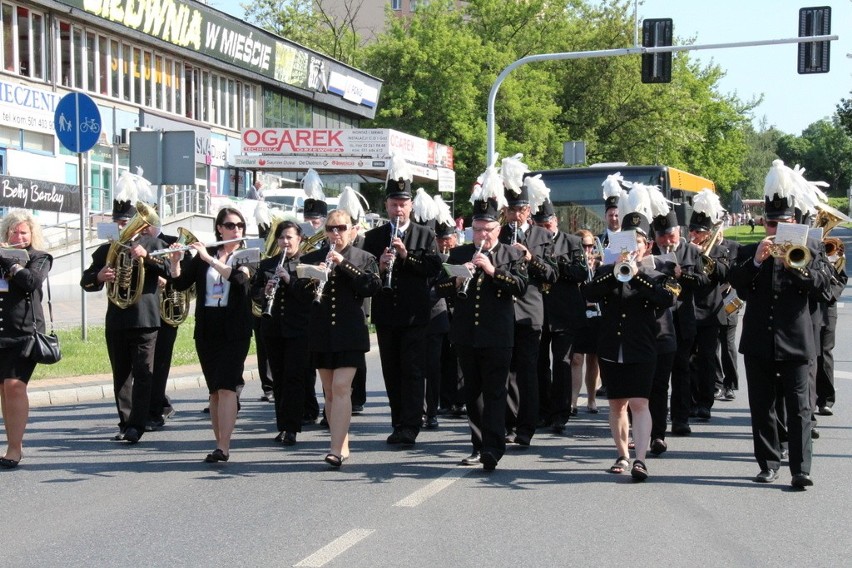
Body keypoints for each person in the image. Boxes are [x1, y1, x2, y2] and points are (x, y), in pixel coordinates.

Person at [729, 160, 829, 488]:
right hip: (759, 341)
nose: (777, 230)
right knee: (762, 406)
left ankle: (801, 469)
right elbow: (739, 285)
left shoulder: (811, 248)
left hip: (797, 341)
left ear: (794, 222)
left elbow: (824, 288)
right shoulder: (749, 250)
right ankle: (769, 463)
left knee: (799, 408)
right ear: (765, 225)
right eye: (772, 225)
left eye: (783, 223)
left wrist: (795, 266)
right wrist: (758, 259)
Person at [582, 200, 677, 481]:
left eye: (637, 241)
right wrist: (615, 273)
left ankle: (640, 459)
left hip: (643, 346)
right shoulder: (606, 272)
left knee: (640, 403)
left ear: (646, 246)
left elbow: (666, 298)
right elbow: (589, 293)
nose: (631, 246)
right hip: (612, 346)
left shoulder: (658, 274)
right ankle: (622, 454)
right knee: (616, 405)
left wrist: (635, 277)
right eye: (626, 241)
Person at [436, 192, 528, 471]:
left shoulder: (511, 254)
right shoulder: (460, 253)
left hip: (498, 336)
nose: (481, 235)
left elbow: (521, 287)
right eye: (476, 229)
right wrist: (455, 278)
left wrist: (492, 270)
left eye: (487, 230)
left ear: (497, 229)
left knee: (495, 392)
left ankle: (493, 447)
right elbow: (438, 289)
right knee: (472, 393)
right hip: (466, 334)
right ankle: (477, 446)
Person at [362, 166, 442, 446]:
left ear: (411, 205)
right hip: (386, 314)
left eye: (403, 204)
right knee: (391, 371)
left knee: (412, 370)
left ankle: (411, 424)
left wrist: (407, 257)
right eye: (394, 204)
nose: (399, 209)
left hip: (414, 314)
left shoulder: (425, 235)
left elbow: (434, 270)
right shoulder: (373, 237)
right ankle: (399, 421)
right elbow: (366, 276)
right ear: (386, 205)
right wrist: (380, 267)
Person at [168, 207, 253, 463]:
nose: (235, 229)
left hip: (235, 328)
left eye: (239, 225)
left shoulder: (247, 255)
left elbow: (239, 279)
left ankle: (223, 447)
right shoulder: (206, 256)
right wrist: (174, 262)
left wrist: (209, 259)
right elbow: (180, 284)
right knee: (214, 390)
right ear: (219, 228)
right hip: (207, 327)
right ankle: (219, 443)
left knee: (227, 387)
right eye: (229, 225)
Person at [296, 209, 381, 467]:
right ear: (324, 232)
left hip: (350, 332)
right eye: (331, 228)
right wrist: (313, 275)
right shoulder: (312, 257)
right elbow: (299, 295)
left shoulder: (363, 258)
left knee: (342, 387)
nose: (336, 233)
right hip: (322, 331)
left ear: (352, 230)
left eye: (341, 228)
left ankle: (334, 447)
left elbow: (370, 287)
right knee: (330, 392)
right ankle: (341, 444)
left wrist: (342, 264)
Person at [81, 199, 167, 444]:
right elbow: (85, 281)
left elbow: (170, 272)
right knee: (121, 374)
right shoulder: (108, 249)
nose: (121, 225)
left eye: (125, 221)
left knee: (143, 374)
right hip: (117, 319)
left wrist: (147, 257)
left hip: (145, 319)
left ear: (139, 224)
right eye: (118, 221)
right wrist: (98, 276)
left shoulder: (154, 244)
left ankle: (137, 426)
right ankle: (125, 422)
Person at [501, 177, 556, 446]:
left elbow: (552, 274)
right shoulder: (498, 234)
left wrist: (530, 258)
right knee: (505, 372)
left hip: (530, 312)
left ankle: (526, 428)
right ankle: (508, 424)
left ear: (528, 210)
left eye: (520, 209)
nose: (515, 214)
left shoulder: (543, 237)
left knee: (527, 371)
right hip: (501, 311)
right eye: (511, 210)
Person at [251, 220, 313, 445]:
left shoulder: (307, 264)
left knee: (294, 377)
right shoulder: (267, 264)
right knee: (278, 379)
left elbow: (310, 296)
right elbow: (254, 292)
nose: (285, 242)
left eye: (290, 237)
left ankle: (292, 428)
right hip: (273, 327)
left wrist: (289, 279)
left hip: (299, 329)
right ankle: (282, 425)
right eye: (282, 238)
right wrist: (263, 290)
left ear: (299, 239)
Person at [0, 210, 52, 468]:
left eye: (23, 232)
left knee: (14, 385)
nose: (18, 236)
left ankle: (14, 449)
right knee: (4, 388)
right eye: (13, 231)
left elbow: (31, 281)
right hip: (1, 332)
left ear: (32, 234)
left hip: (25, 333)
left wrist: (11, 264)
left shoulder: (40, 257)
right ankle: (11, 444)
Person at [532, 200, 587, 432]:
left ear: (555, 221)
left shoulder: (572, 242)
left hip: (564, 312)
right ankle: (543, 411)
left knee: (563, 363)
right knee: (540, 363)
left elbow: (582, 272)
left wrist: (557, 266)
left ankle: (561, 412)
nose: (545, 228)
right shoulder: (531, 242)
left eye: (548, 223)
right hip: (539, 310)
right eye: (540, 225)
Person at [569, 230, 603, 414]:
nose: (587, 249)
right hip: (579, 312)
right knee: (576, 358)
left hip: (597, 314)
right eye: (583, 245)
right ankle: (573, 400)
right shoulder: (575, 263)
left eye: (590, 245)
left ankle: (591, 399)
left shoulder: (599, 265)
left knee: (593, 359)